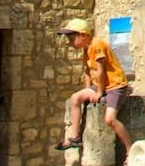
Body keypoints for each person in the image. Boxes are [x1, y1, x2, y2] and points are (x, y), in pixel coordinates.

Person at [54, 18, 132, 152]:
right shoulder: (87, 48)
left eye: (72, 39)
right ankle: (74, 137)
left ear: (83, 35)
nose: (71, 43)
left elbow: (101, 71)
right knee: (75, 98)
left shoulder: (97, 45)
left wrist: (99, 93)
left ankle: (129, 149)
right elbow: (88, 71)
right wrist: (88, 90)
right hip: (101, 85)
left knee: (110, 120)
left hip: (115, 86)